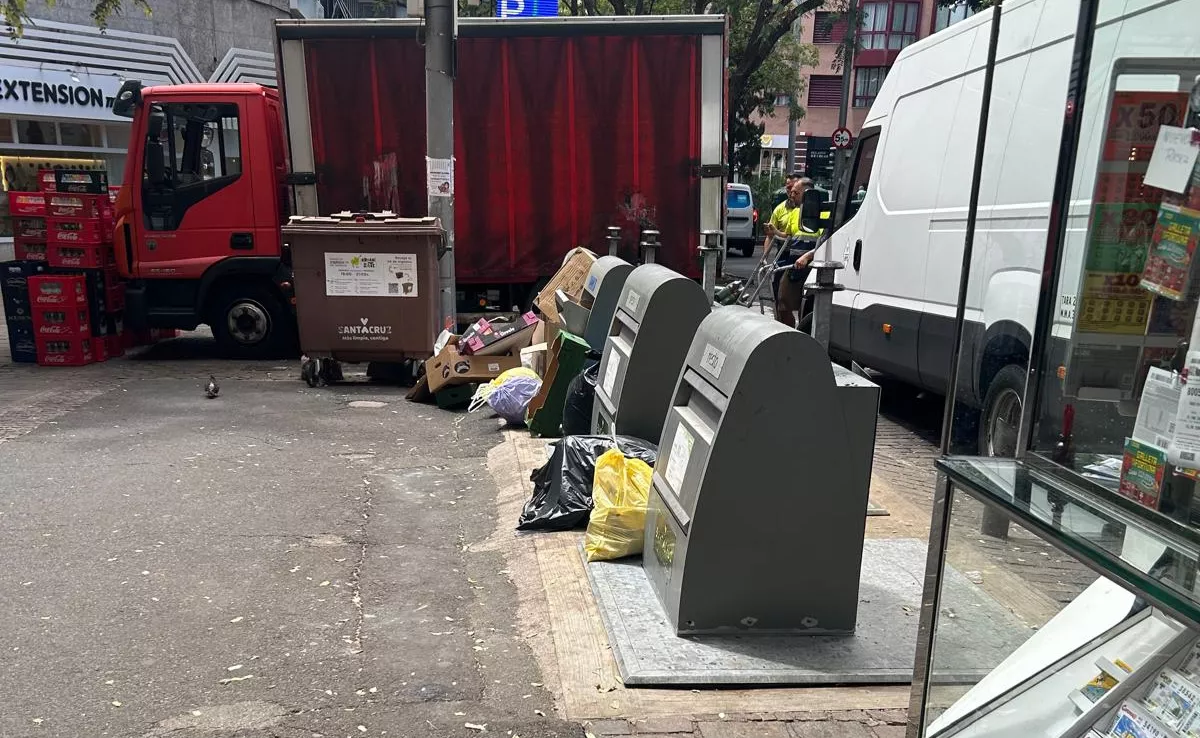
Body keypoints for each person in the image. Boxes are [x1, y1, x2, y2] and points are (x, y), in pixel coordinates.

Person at [764, 178, 819, 327]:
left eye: (796, 192)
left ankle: (804, 333)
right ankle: (787, 333)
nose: (791, 195)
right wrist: (774, 231)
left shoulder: (822, 214)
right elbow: (788, 236)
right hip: (793, 266)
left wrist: (807, 256)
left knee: (807, 307)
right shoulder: (795, 212)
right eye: (791, 192)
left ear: (807, 193)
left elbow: (826, 241)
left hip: (812, 268)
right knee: (783, 303)